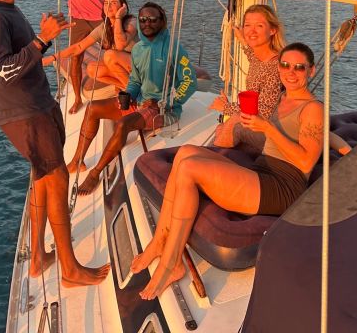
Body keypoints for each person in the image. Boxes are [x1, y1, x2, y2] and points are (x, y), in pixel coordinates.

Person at [132, 42, 325, 300]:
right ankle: (159, 241)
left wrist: (268, 129)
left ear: (310, 71)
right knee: (186, 153)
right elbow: (319, 136)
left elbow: (305, 163)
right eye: (285, 65)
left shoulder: (313, 108)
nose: (291, 72)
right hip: (263, 171)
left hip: (282, 187)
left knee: (189, 168)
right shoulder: (285, 97)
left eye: (299, 67)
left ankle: (172, 263)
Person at [0, 0, 109, 287]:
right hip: (22, 111)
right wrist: (43, 38)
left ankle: (37, 258)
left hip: (37, 103)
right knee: (57, 177)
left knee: (43, 177)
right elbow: (3, 71)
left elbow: (22, 56)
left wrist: (45, 38)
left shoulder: (8, 10)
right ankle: (70, 269)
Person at [68, 2, 197, 195]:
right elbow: (135, 80)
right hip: (141, 101)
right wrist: (128, 95)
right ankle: (78, 160)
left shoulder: (173, 48)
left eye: (153, 19)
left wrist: (167, 101)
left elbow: (189, 80)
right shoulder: (138, 49)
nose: (147, 23)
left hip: (162, 109)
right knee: (93, 108)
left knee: (122, 125)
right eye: (143, 19)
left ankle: (95, 173)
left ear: (162, 21)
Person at [210, 4, 284, 150]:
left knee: (230, 124)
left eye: (259, 26)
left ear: (273, 30)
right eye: (247, 25)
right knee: (220, 128)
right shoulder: (260, 57)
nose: (252, 31)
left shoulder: (275, 66)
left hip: (272, 131)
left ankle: (210, 158)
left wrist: (226, 107)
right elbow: (252, 56)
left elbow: (264, 111)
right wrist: (242, 40)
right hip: (259, 122)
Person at [42, 0, 138, 90]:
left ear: (123, 7)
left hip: (140, 66)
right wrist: (52, 58)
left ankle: (132, 91)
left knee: (109, 55)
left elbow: (120, 44)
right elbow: (79, 47)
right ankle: (124, 86)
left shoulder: (131, 22)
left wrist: (118, 18)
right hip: (125, 69)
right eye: (106, 3)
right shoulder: (104, 28)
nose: (108, 6)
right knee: (92, 69)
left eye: (113, 3)